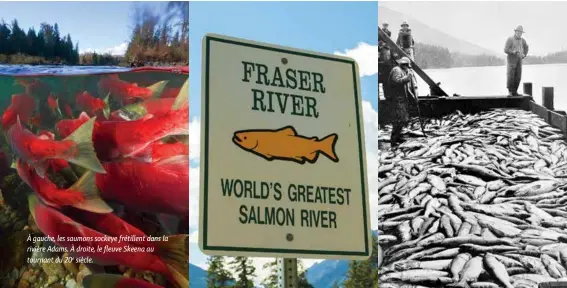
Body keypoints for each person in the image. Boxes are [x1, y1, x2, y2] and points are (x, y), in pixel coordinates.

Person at [387, 57, 413, 147]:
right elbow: (397, 82)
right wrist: (408, 78)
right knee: (398, 120)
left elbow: (406, 87)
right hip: (396, 99)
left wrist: (412, 96)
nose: (407, 68)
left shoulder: (403, 71)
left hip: (402, 99)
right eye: (407, 66)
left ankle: (398, 137)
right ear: (404, 65)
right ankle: (393, 141)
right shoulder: (396, 70)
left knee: (403, 119)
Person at [504, 25, 529, 96]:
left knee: (518, 76)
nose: (519, 34)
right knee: (510, 76)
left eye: (521, 33)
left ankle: (515, 91)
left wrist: (524, 54)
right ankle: (510, 92)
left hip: (519, 60)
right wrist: (513, 52)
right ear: (515, 32)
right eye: (518, 32)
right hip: (511, 61)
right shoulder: (510, 39)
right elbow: (505, 49)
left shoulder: (523, 40)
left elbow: (526, 47)